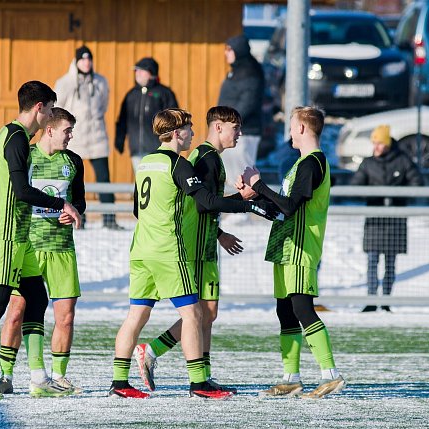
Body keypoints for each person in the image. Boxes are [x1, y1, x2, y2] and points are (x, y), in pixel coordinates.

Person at [109, 108, 275, 399]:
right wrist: (249, 204)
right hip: (168, 252)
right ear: (176, 133)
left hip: (140, 250)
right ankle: (199, 383)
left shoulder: (146, 163)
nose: (192, 134)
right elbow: (207, 202)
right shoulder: (179, 165)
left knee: (136, 315)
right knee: (193, 314)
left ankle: (119, 383)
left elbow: (136, 209)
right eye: (188, 129)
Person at [0, 81, 82, 399]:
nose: (53, 115)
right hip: (6, 235)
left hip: (21, 237)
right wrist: (61, 203)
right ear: (39, 108)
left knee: (36, 299)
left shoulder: (14, 137)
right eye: (51, 108)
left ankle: (40, 379)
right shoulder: (15, 139)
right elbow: (22, 192)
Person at [241, 106, 346, 399]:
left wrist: (259, 185)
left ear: (301, 128)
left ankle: (330, 374)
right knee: (285, 311)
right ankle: (291, 378)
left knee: (302, 309)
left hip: (301, 248)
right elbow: (280, 210)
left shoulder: (313, 163)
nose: (289, 132)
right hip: (285, 248)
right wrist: (253, 197)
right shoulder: (299, 165)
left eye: (291, 126)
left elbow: (290, 207)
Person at [351, 125, 424, 312]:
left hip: (395, 221)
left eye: (379, 143)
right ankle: (371, 299)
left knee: (390, 263)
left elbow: (417, 183)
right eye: (374, 143)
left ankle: (386, 301)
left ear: (387, 144)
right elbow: (356, 186)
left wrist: (397, 196)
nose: (376, 147)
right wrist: (372, 195)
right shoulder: (368, 163)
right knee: (372, 261)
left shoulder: (403, 161)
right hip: (374, 221)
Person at [55, 45, 121, 230]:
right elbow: (58, 108)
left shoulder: (100, 82)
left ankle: (109, 219)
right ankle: (77, 218)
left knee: (104, 178)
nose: (87, 63)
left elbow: (104, 105)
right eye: (83, 59)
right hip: (74, 137)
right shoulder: (65, 83)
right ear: (76, 61)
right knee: (74, 179)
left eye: (89, 59)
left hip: (97, 136)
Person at [218, 35, 264, 196]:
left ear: (239, 51)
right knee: (231, 173)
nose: (226, 53)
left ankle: (245, 210)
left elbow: (248, 102)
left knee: (243, 171)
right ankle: (236, 207)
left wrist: (229, 122)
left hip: (245, 131)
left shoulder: (251, 71)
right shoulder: (235, 71)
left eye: (229, 50)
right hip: (229, 129)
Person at [114, 57, 178, 172]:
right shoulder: (131, 95)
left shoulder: (164, 93)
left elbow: (174, 120)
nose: (137, 74)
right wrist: (120, 139)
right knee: (141, 183)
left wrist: (171, 142)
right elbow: (122, 120)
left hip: (159, 150)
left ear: (151, 73)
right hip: (136, 151)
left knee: (157, 183)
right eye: (136, 71)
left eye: (140, 70)